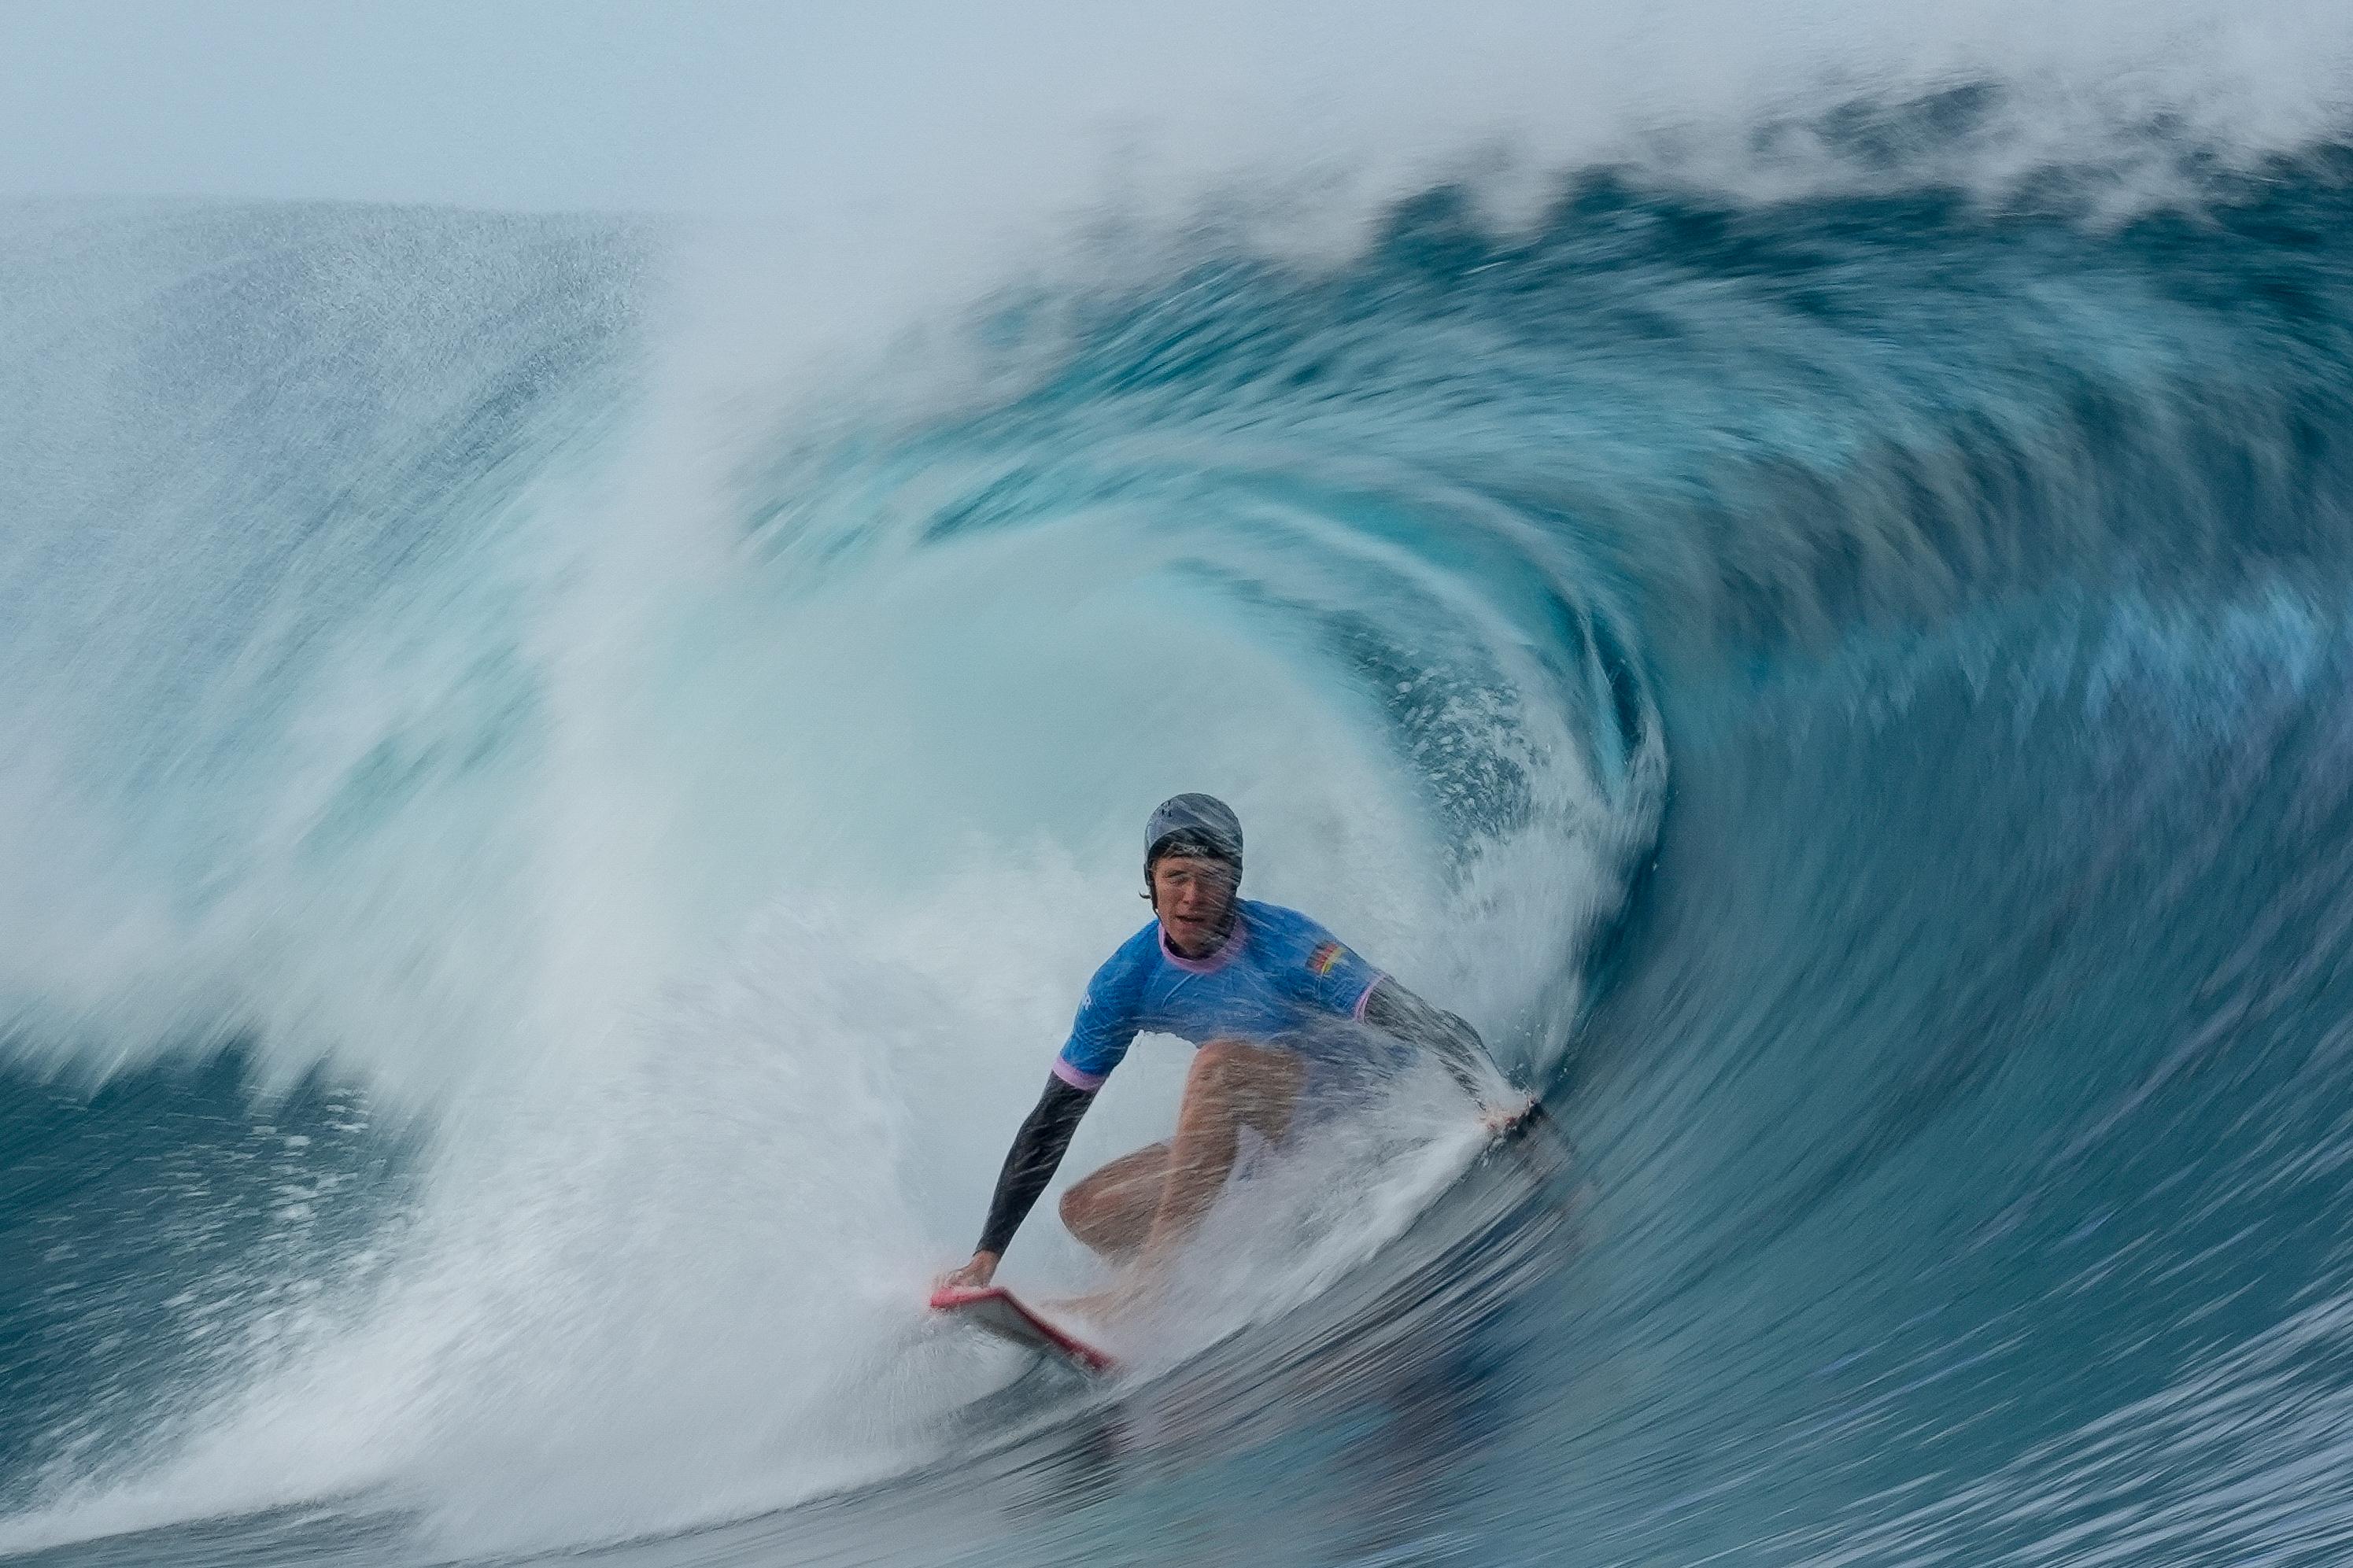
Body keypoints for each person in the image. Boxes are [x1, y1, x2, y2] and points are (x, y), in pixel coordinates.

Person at [937, 793, 1527, 1302]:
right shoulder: (1126, 979)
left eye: (1211, 877)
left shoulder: (1290, 945)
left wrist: (1491, 1100)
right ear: (1150, 882)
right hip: (1270, 1142)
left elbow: (1427, 1021)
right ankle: (1177, 1295)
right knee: (1087, 1210)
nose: (1193, 895)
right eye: (1176, 876)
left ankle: (1151, 1289)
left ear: (1235, 882)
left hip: (1360, 1109)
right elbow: (1051, 1121)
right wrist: (987, 1253)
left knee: (1217, 1068)